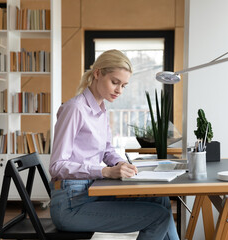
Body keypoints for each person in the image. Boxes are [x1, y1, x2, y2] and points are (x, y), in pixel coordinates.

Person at [49, 49, 179, 240]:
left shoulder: (101, 110)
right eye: (115, 82)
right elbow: (56, 166)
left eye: (124, 85)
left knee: (160, 199)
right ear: (97, 73)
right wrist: (104, 172)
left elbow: (107, 150)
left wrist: (119, 164)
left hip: (90, 192)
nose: (119, 90)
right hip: (71, 205)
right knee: (159, 217)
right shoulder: (75, 109)